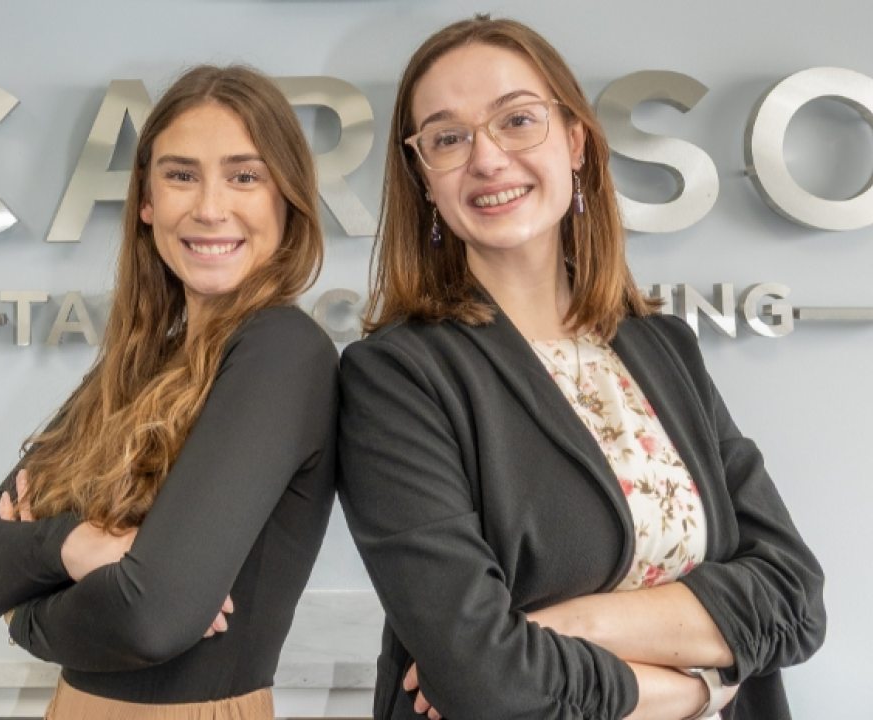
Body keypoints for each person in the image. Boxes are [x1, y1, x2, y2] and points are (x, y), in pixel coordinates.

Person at [337, 16, 825, 720]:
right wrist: (698, 687)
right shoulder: (396, 377)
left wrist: (569, 626)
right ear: (423, 179)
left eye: (517, 120)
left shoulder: (664, 349)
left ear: (574, 142)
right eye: (447, 137)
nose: (488, 158)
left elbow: (794, 600)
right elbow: (481, 678)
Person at [0, 64, 338, 719]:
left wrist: (21, 612)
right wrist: (76, 547)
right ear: (147, 202)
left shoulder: (282, 351)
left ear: (285, 199)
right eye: (181, 175)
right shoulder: (143, 360)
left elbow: (148, 617)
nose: (210, 207)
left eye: (245, 175)